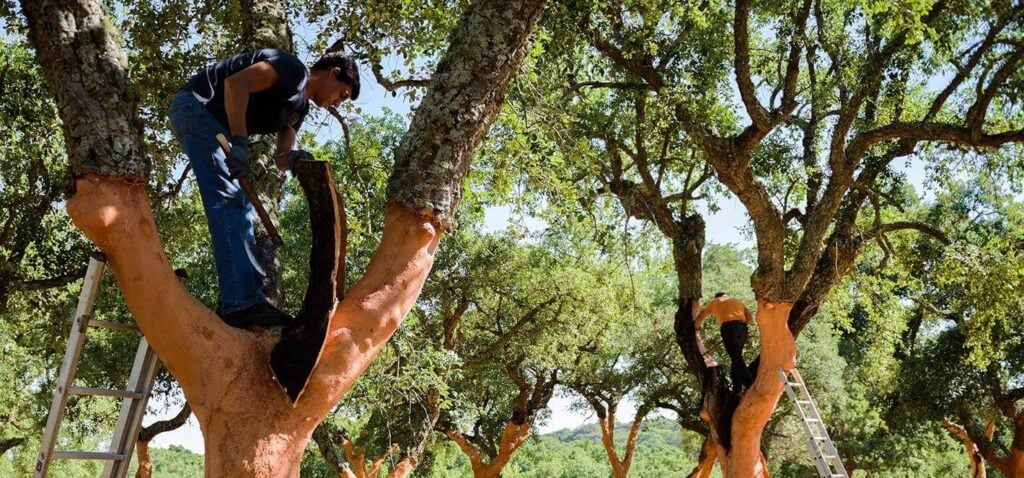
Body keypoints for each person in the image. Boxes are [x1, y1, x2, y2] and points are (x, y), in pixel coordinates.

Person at [168, 49, 360, 327]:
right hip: (197, 107)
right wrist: (240, 143)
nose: (337, 104)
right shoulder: (292, 71)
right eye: (342, 95)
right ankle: (240, 303)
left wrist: (294, 158)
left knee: (242, 208)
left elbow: (281, 157)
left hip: (216, 127)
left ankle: (243, 299)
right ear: (334, 73)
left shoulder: (299, 109)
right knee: (228, 200)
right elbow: (236, 84)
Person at [695, 292, 755, 391]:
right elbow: (750, 320)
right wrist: (739, 326)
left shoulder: (715, 301)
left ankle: (750, 385)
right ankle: (737, 388)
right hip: (743, 330)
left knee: (736, 358)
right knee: (736, 357)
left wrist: (696, 328)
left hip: (728, 329)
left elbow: (702, 315)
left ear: (717, 297)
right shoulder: (738, 301)